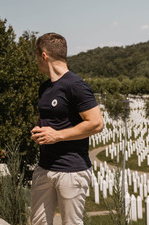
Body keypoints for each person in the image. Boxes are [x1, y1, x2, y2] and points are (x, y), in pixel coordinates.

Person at [30, 32, 103, 225]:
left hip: (71, 170)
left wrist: (57, 135)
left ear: (43, 56)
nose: (36, 61)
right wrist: (39, 130)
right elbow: (49, 119)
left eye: (36, 56)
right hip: (44, 167)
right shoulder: (44, 87)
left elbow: (96, 123)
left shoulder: (76, 85)